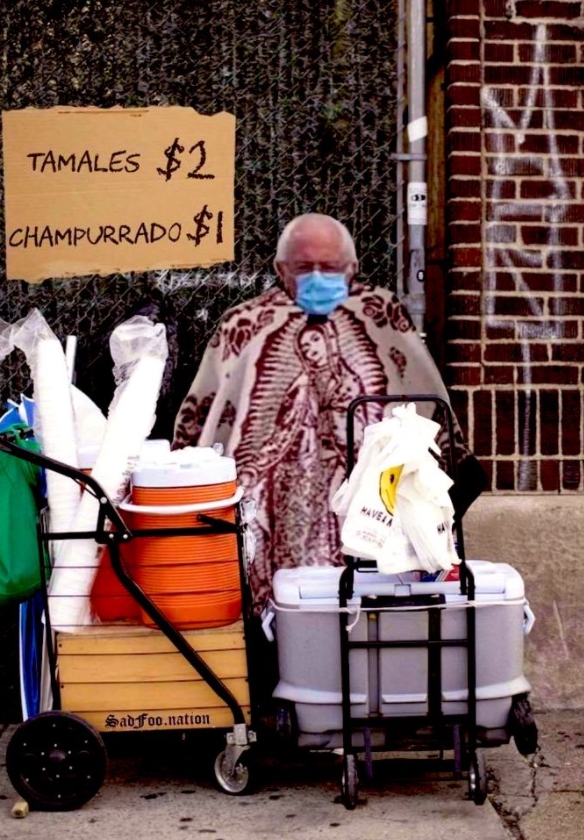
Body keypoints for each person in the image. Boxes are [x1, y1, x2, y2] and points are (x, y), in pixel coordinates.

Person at [173, 213, 485, 614]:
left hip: (369, 499)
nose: (318, 276)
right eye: (304, 268)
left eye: (330, 267)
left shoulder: (381, 316)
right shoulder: (244, 326)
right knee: (279, 598)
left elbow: (423, 401)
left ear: (351, 268)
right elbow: (208, 417)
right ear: (280, 269)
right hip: (279, 503)